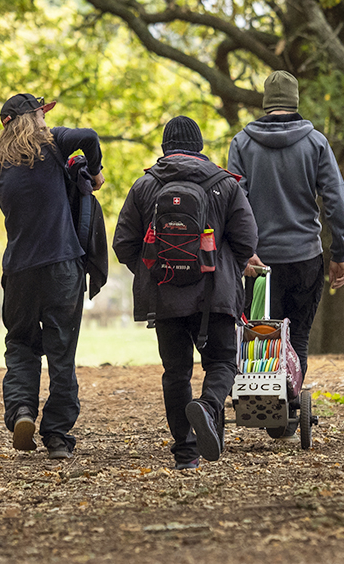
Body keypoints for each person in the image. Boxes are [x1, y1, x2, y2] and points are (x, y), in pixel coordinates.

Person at [114, 116, 257, 469]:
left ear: (165, 148)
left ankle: (186, 452)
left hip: (164, 298)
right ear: (200, 147)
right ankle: (207, 408)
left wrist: (155, 271)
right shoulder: (225, 184)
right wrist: (224, 270)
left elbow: (123, 244)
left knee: (175, 372)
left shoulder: (145, 186)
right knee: (223, 362)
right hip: (215, 294)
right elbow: (247, 241)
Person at [0, 92, 104, 461]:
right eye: (42, 114)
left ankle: (22, 411)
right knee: (61, 350)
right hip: (62, 265)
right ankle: (58, 435)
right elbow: (90, 136)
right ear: (33, 117)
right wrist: (93, 173)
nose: (47, 120)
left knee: (20, 344)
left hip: (18, 270)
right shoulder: (51, 146)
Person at [227, 70, 344, 394]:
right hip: (305, 256)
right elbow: (336, 201)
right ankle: (290, 404)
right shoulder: (316, 142)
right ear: (294, 100)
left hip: (259, 261)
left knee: (261, 334)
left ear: (267, 102)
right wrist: (340, 253)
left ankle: (264, 399)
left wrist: (243, 250)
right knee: (298, 338)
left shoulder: (241, 143)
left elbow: (234, 201)